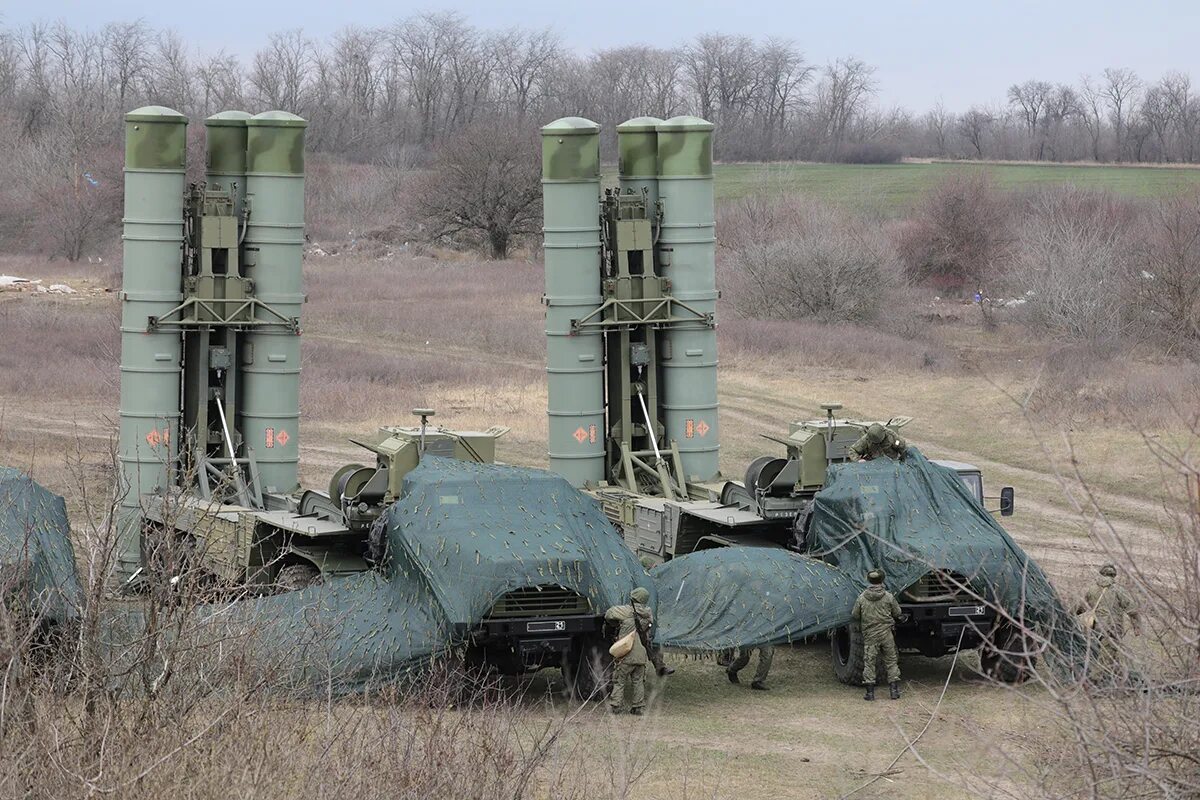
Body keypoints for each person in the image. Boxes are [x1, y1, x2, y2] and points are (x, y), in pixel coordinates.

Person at [1076, 563, 1141, 681]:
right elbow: (1133, 610)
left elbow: (1081, 607)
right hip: (1113, 627)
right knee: (1107, 656)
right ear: (1113, 576)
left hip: (1096, 627)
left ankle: (1118, 678)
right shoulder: (1119, 590)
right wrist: (1137, 627)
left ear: (1101, 573)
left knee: (1109, 653)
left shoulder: (1092, 589)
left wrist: (1068, 615)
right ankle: (1094, 681)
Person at [852, 568, 902, 700]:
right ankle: (894, 691)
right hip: (886, 634)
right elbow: (897, 613)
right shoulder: (889, 597)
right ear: (882, 580)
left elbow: (855, 615)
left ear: (869, 580)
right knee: (891, 661)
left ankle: (870, 693)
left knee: (869, 662)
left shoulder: (862, 598)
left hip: (870, 635)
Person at [605, 586, 654, 715]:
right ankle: (638, 707)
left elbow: (609, 614)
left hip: (626, 653)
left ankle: (616, 706)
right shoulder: (648, 613)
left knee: (619, 680)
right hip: (642, 655)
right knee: (638, 682)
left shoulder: (626, 611)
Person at [638, 555, 674, 676]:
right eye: (652, 568)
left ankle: (660, 667)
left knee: (655, 643)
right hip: (640, 618)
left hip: (652, 618)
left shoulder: (652, 582)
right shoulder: (639, 581)